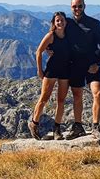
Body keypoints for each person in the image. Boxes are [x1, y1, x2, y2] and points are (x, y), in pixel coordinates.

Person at [65, 0, 100, 140]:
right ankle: (78, 126)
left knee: (98, 93)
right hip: (75, 64)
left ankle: (96, 126)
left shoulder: (94, 23)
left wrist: (98, 63)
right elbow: (55, 34)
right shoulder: (67, 23)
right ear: (71, 7)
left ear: (84, 6)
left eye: (79, 6)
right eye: (74, 7)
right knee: (77, 96)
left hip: (92, 65)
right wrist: (48, 49)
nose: (77, 9)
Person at [28, 11, 70, 140]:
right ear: (53, 22)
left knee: (61, 101)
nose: (60, 22)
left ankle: (57, 129)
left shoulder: (69, 35)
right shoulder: (50, 36)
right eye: (57, 20)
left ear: (66, 22)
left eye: (62, 20)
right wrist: (40, 70)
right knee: (44, 99)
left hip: (65, 70)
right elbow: (38, 52)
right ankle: (34, 123)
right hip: (52, 70)